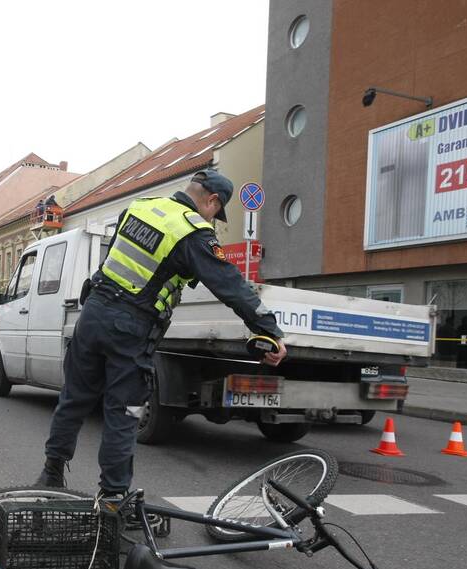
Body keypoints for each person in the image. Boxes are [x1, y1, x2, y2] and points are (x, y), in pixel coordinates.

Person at [35, 169, 287, 497]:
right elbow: (230, 285)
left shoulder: (140, 206)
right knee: (124, 412)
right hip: (131, 326)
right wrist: (269, 330)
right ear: (211, 201)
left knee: (73, 398)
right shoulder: (193, 231)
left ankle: (51, 474)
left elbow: (116, 258)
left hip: (93, 312)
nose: (214, 220)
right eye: (217, 212)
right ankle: (112, 500)